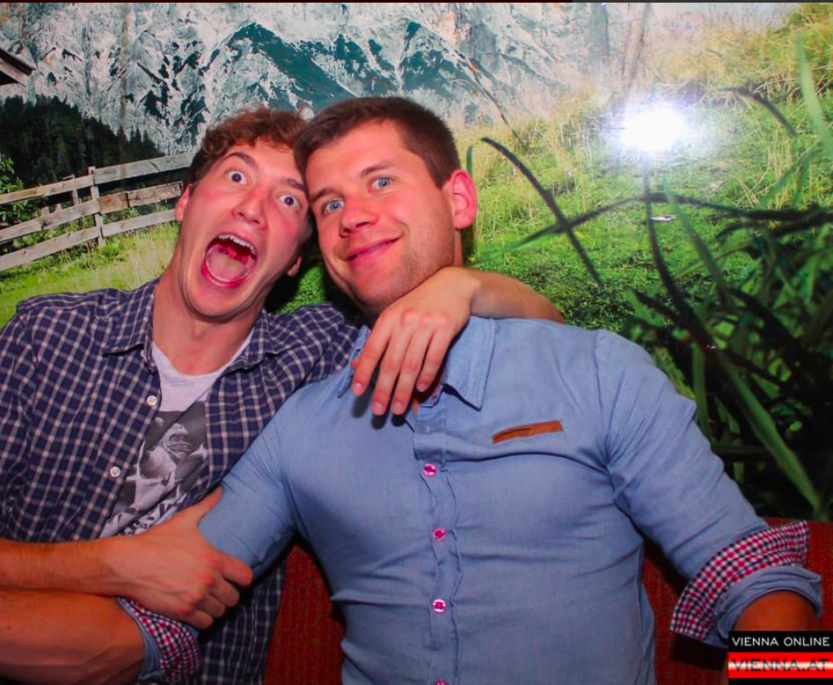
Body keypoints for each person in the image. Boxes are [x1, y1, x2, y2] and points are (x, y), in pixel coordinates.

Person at [0, 107, 560, 684]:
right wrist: (121, 564)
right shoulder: (46, 334)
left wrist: (462, 287)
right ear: (185, 201)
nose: (253, 209)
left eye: (290, 201)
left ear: (295, 261)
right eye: (235, 178)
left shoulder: (319, 361)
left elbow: (551, 338)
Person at [182, 97, 822, 683]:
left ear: (459, 200)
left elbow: (752, 573)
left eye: (381, 182)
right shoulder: (303, 426)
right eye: (328, 204)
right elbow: (175, 595)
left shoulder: (598, 375)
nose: (354, 217)